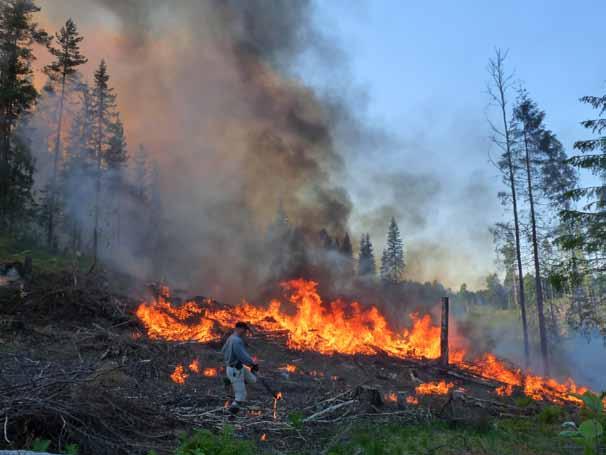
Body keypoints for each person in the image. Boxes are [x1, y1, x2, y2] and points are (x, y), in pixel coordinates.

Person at [221, 321, 259, 415]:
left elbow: (223, 351)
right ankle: (231, 417)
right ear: (239, 329)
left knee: (252, 379)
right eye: (245, 330)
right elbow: (242, 356)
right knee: (241, 396)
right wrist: (252, 363)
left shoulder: (231, 338)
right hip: (235, 370)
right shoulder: (236, 340)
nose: (245, 332)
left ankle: (233, 381)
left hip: (236, 367)